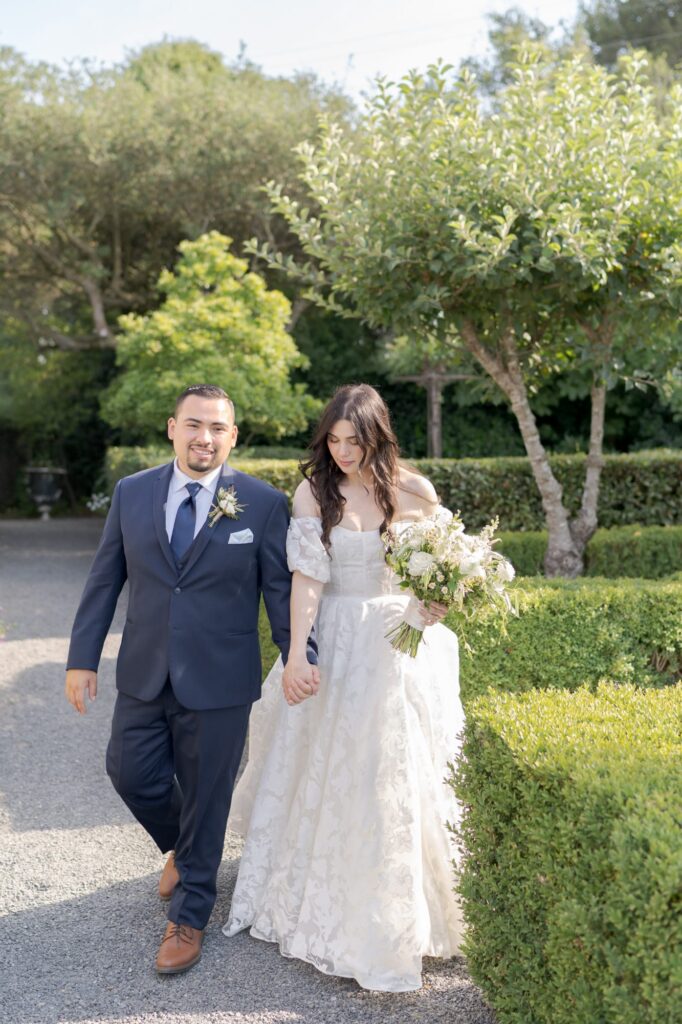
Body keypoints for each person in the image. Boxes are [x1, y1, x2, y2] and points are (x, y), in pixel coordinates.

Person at [65, 384, 317, 975]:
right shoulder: (131, 494)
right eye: (195, 425)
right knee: (128, 770)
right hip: (144, 670)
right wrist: (82, 657)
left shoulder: (261, 502)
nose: (206, 438)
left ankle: (191, 911)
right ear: (172, 427)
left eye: (218, 429)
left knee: (210, 794)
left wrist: (298, 657)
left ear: (233, 437)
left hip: (221, 678)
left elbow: (280, 593)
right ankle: (184, 846)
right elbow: (106, 579)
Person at [223, 383, 465, 992]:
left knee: (398, 769)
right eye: (332, 440)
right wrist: (299, 652)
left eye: (354, 441)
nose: (342, 453)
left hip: (398, 642)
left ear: (377, 436)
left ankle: (405, 910)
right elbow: (307, 577)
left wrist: (432, 602)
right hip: (334, 636)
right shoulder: (314, 491)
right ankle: (322, 896)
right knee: (329, 768)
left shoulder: (415, 491)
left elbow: (440, 569)